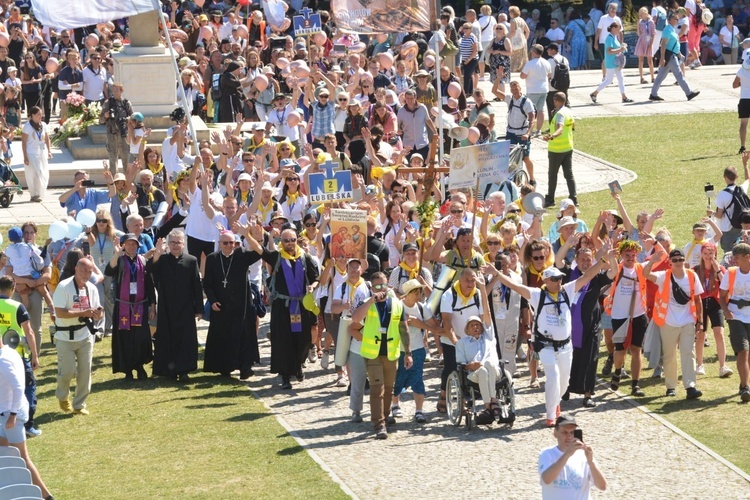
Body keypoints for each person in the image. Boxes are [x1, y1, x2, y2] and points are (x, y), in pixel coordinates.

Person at [492, 258, 608, 426]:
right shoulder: (537, 295)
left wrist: (602, 259)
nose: (559, 281)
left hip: (565, 346)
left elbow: (588, 276)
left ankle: (555, 403)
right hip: (545, 345)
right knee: (552, 377)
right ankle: (551, 416)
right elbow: (515, 286)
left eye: (560, 278)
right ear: (546, 280)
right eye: (554, 279)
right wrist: (496, 274)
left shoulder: (567, 290)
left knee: (564, 382)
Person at [246, 224, 319, 389]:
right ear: (282, 242)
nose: (290, 243)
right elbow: (260, 250)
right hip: (282, 306)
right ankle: (285, 375)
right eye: (286, 240)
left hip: (301, 305)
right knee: (283, 341)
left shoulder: (305, 258)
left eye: (293, 240)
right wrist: (247, 235)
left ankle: (298, 365)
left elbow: (316, 277)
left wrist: (313, 286)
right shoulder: (276, 256)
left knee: (303, 339)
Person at [349, 272, 411, 439]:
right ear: (371, 287)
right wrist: (371, 300)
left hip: (391, 353)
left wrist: (408, 353)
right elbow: (355, 319)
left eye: (383, 285)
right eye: (376, 286)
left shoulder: (397, 304)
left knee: (389, 389)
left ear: (387, 285)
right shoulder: (366, 303)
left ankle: (384, 415)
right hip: (372, 354)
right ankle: (379, 424)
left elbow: (403, 329)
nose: (380, 289)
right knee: (378, 389)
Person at [0, 305, 53, 499]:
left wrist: (12, 416)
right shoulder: (10, 352)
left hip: (10, 416)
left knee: (22, 458)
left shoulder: (3, 360)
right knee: (7, 457)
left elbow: (17, 388)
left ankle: (46, 496)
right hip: (7, 414)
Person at [202, 230, 262, 380]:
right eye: (226, 243)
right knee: (223, 336)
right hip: (221, 305)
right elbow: (207, 283)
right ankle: (225, 368)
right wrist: (212, 299)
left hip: (242, 305)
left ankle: (245, 368)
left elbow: (260, 252)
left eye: (232, 243)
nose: (229, 246)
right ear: (219, 244)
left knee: (244, 335)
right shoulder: (212, 258)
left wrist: (249, 234)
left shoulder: (241, 255)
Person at [648, 248, 705, 399]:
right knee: (669, 355)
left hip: (687, 320)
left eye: (680, 260)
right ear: (670, 262)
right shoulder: (663, 276)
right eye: (675, 260)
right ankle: (671, 386)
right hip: (668, 322)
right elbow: (645, 274)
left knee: (688, 352)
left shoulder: (692, 276)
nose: (678, 262)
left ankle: (690, 386)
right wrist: (652, 262)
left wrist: (700, 321)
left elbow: (698, 300)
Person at [148, 230, 203, 381]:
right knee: (167, 337)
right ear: (168, 244)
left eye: (178, 242)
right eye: (172, 242)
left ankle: (184, 370)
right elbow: (150, 269)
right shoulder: (163, 259)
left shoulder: (191, 260)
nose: (175, 245)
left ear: (184, 244)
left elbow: (196, 286)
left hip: (185, 306)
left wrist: (199, 309)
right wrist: (157, 253)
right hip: (166, 306)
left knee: (185, 339)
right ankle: (168, 370)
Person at [52, 257, 103, 415]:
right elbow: (59, 312)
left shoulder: (92, 289)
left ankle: (79, 404)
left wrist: (97, 315)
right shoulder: (64, 286)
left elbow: (96, 313)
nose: (86, 274)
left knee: (85, 371)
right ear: (76, 269)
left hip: (85, 335)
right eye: (83, 270)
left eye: (89, 271)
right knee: (67, 371)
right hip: (65, 336)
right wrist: (83, 312)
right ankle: (62, 396)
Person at [106, 233, 156, 380]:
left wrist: (152, 306)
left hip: (140, 306)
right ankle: (127, 369)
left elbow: (149, 285)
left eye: (134, 244)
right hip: (123, 306)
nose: (131, 247)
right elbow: (109, 271)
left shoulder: (142, 261)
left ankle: (139, 366)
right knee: (125, 338)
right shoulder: (120, 260)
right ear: (123, 245)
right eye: (128, 244)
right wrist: (116, 253)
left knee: (140, 338)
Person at [0, 276, 41, 438]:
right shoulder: (17, 307)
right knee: (28, 387)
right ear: (13, 288)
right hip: (17, 356)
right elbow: (29, 332)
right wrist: (35, 355)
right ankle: (28, 425)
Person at [391, 279, 431, 424]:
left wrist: (418, 324)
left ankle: (419, 410)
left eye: (420, 291)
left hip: (418, 348)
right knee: (398, 378)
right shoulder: (397, 306)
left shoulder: (421, 308)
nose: (419, 294)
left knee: (418, 379)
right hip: (399, 349)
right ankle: (395, 405)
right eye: (416, 292)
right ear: (408, 294)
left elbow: (430, 324)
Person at [539, 414, 607, 498]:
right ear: (555, 433)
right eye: (564, 432)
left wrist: (591, 462)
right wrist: (567, 454)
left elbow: (602, 486)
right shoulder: (547, 454)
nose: (569, 436)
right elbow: (546, 479)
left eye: (572, 432)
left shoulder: (583, 455)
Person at [456, 315, 502, 425]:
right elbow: (461, 363)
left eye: (477, 325)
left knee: (488, 364)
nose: (475, 327)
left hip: (494, 371)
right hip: (474, 373)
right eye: (472, 325)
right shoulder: (461, 343)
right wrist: (470, 366)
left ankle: (492, 402)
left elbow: (488, 313)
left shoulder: (489, 339)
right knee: (482, 371)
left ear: (482, 328)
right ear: (467, 330)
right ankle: (489, 405)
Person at [719, 242, 750, 402]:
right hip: (736, 316)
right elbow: (722, 296)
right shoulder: (730, 274)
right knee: (743, 351)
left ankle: (744, 383)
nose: (733, 261)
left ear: (747, 257)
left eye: (736, 258)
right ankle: (745, 387)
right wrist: (726, 310)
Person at [649, 12, 700, 102]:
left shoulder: (672, 29)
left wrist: (679, 54)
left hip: (672, 55)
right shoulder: (667, 30)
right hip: (670, 56)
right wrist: (662, 57)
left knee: (661, 76)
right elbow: (663, 44)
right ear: (671, 20)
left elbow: (674, 44)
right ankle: (689, 93)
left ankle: (653, 94)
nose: (678, 20)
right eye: (676, 19)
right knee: (679, 75)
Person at [543, 92, 577, 208]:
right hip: (568, 147)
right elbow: (573, 126)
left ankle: (550, 199)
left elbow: (560, 129)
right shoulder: (568, 111)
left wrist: (551, 136)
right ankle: (573, 197)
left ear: (557, 100)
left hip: (556, 150)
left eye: (554, 99)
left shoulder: (560, 114)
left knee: (552, 175)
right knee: (569, 174)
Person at [589, 23, 633, 104]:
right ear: (613, 28)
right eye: (618, 29)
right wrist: (620, 49)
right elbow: (609, 51)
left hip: (616, 62)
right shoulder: (609, 38)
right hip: (611, 62)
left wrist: (622, 47)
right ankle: (594, 93)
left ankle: (624, 96)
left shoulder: (614, 37)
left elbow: (615, 49)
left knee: (620, 78)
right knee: (609, 80)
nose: (619, 31)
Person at [715, 159, 750, 253]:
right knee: (744, 251)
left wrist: (712, 214)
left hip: (727, 229)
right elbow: (748, 179)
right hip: (742, 226)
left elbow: (719, 215)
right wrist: (745, 164)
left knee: (729, 253)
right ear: (737, 177)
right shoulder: (741, 189)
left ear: (724, 177)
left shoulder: (721, 194)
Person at [506, 80, 536, 185]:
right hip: (510, 133)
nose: (514, 91)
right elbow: (494, 91)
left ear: (520, 88)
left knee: (525, 158)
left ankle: (532, 179)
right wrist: (498, 77)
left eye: (516, 89)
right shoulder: (510, 99)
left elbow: (532, 119)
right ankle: (516, 180)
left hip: (522, 134)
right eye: (512, 89)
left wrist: (528, 133)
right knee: (511, 157)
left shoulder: (527, 102)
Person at [21, 105, 52, 202]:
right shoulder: (27, 126)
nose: (40, 116)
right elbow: (24, 142)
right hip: (31, 153)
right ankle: (35, 194)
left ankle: (39, 193)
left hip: (42, 153)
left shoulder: (43, 125)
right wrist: (25, 156)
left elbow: (47, 138)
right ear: (32, 115)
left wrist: (49, 151)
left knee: (44, 174)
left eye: (41, 114)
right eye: (38, 114)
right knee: (36, 174)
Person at [100, 82, 133, 173]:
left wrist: (125, 119)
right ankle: (115, 180)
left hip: (124, 133)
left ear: (121, 91)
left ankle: (128, 179)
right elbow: (101, 120)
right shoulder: (108, 103)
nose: (115, 92)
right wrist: (105, 116)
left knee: (126, 156)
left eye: (117, 90)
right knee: (112, 157)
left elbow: (133, 118)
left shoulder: (126, 103)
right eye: (113, 90)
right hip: (112, 133)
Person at [520, 45, 551, 135]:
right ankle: (538, 130)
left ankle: (529, 130)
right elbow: (549, 75)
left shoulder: (530, 63)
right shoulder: (546, 62)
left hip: (533, 89)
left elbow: (522, 76)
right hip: (544, 89)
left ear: (534, 52)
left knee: (530, 110)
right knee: (541, 110)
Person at [733, 65, 750, 155]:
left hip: (744, 99)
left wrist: (742, 84)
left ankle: (743, 146)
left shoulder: (742, 70)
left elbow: (734, 85)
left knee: (743, 124)